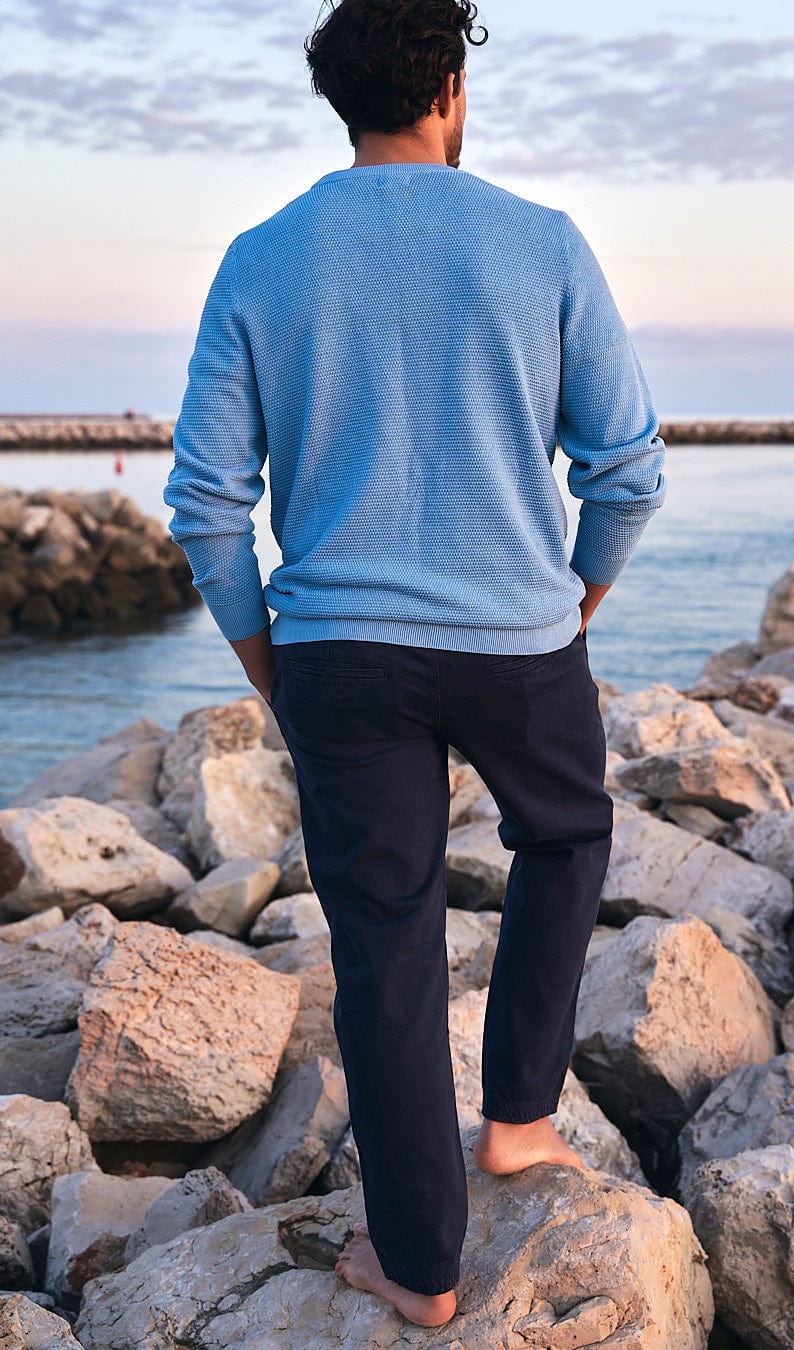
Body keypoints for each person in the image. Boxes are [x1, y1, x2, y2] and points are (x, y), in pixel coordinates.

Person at [163, 0, 666, 1329]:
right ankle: (517, 1120)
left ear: (344, 101)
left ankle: (420, 1262)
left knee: (387, 940)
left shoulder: (262, 258)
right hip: (522, 640)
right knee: (566, 837)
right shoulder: (543, 242)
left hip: (337, 651)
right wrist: (570, 607)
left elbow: (209, 503)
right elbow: (629, 470)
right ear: (450, 84)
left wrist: (272, 661)